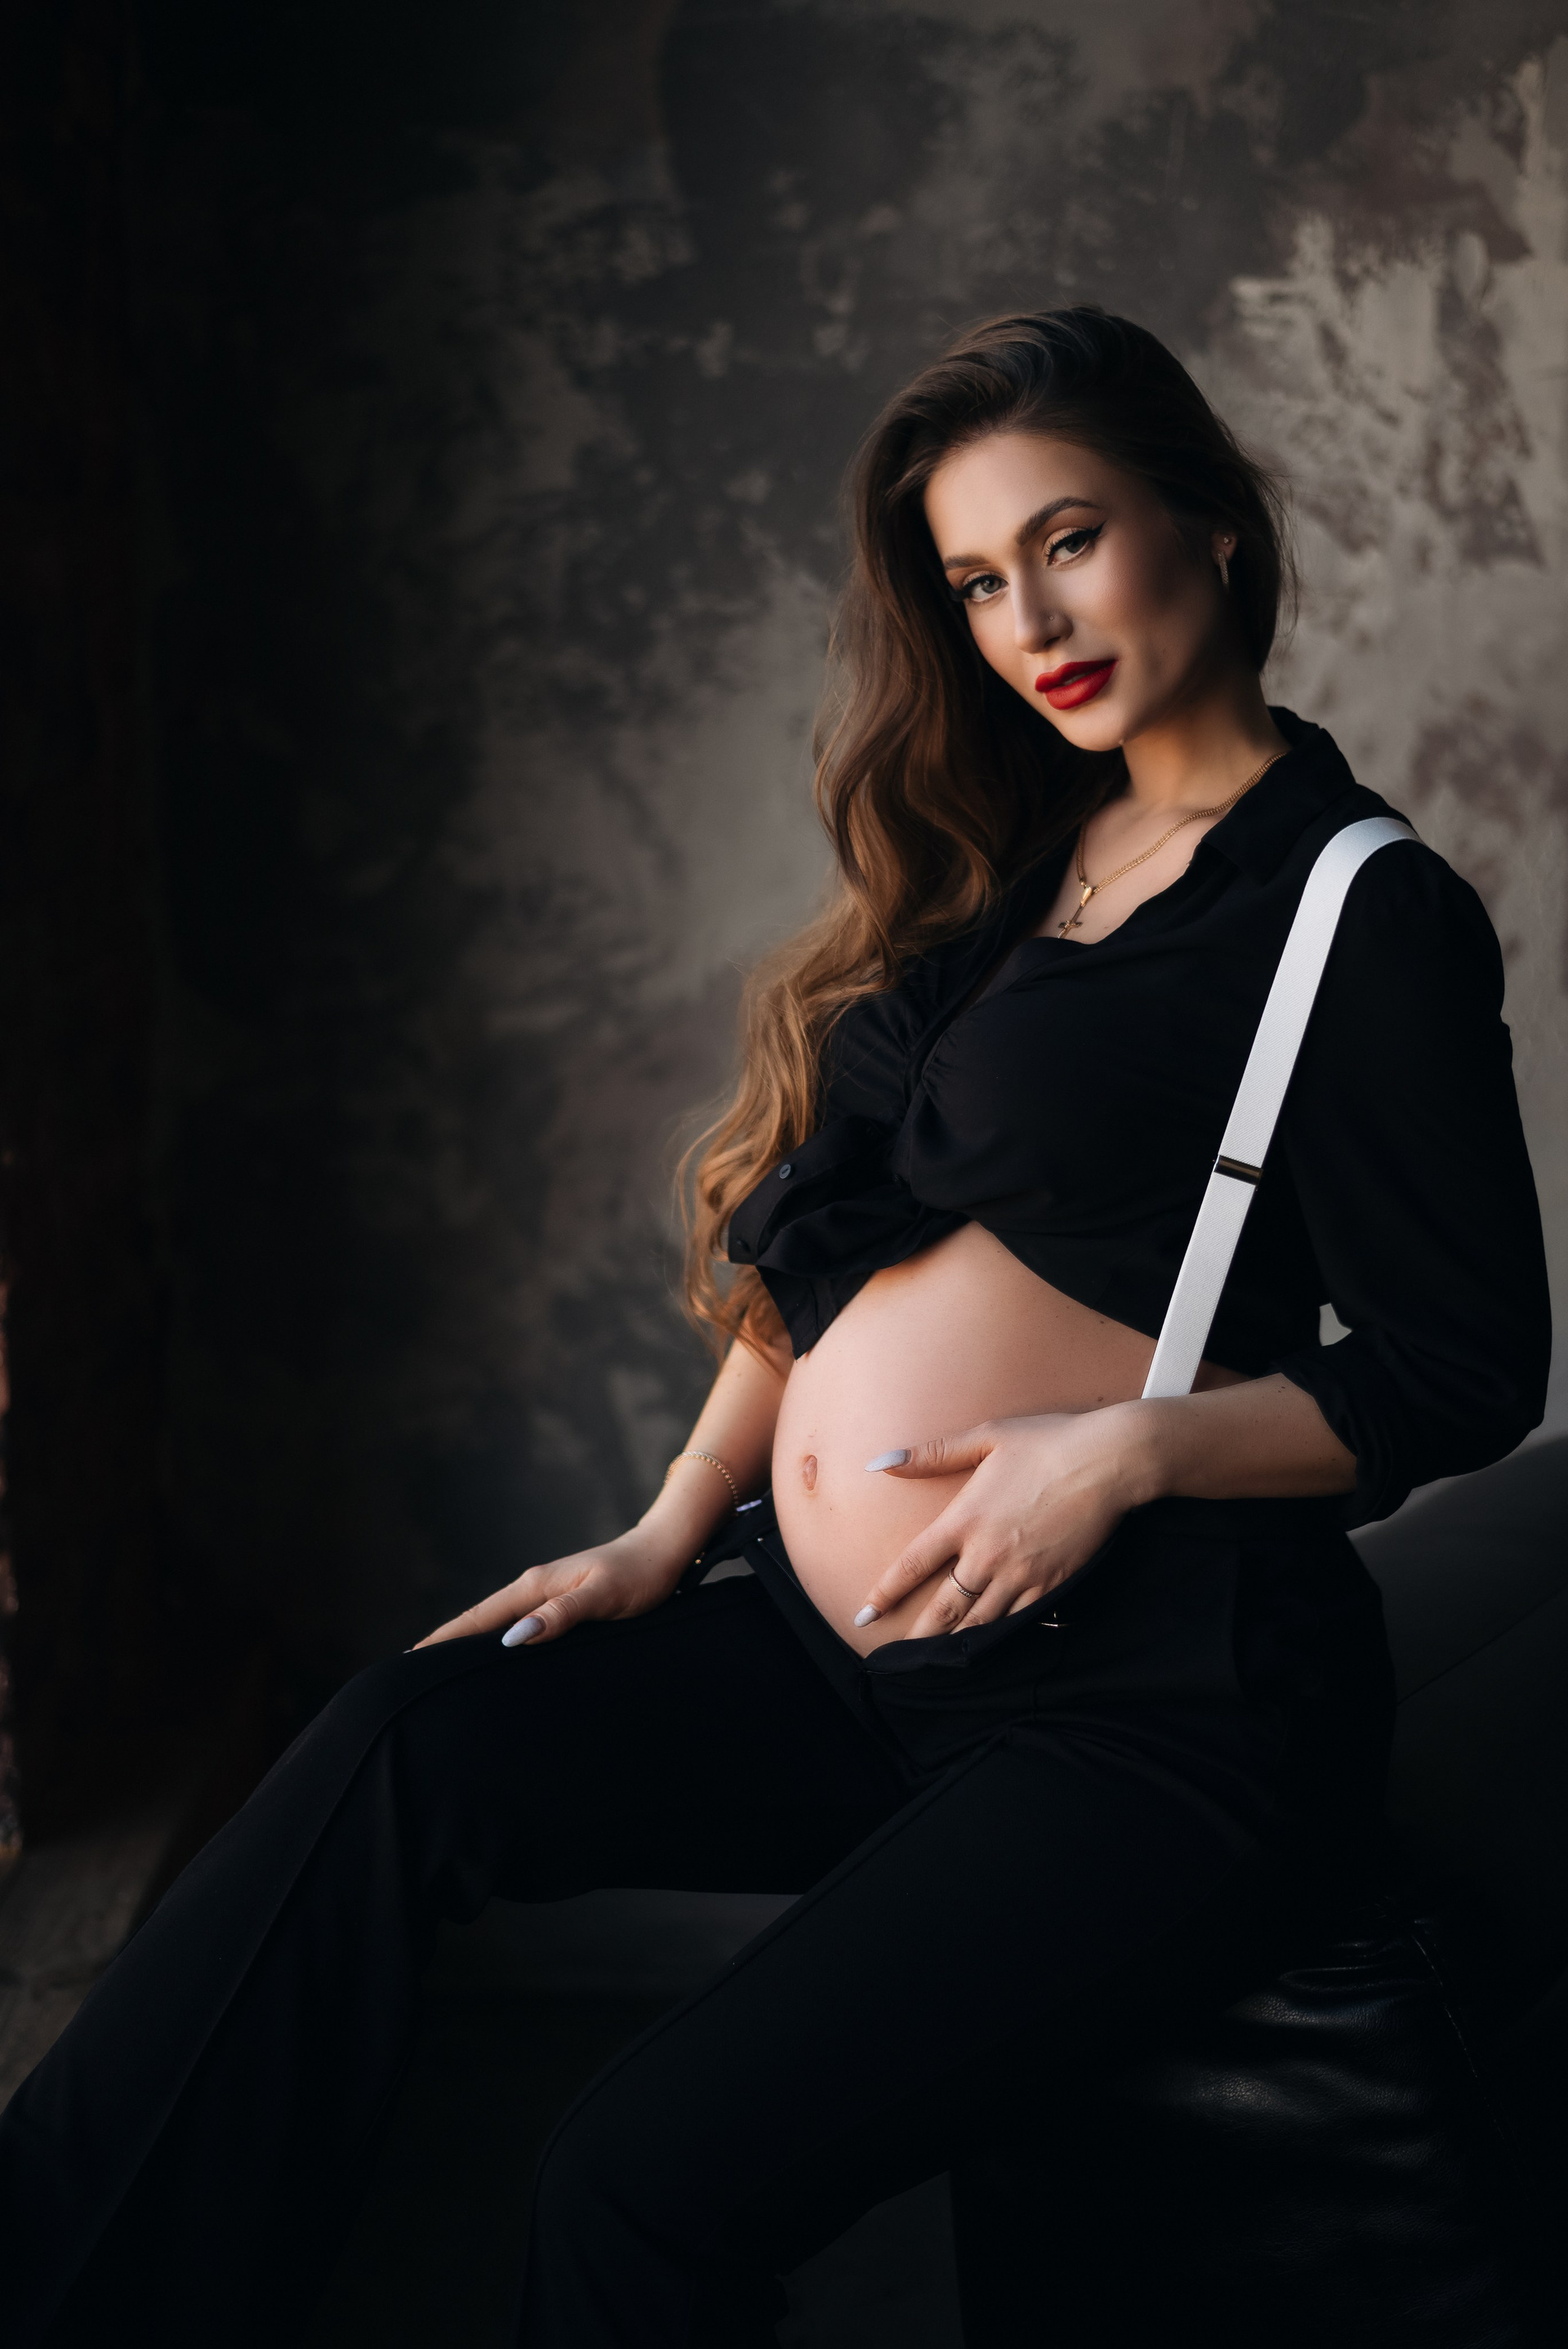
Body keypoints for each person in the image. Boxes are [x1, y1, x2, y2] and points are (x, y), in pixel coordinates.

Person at [0, 310, 1549, 2347]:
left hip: (1146, 1713)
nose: (1027, 625)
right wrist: (670, 1526)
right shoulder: (1027, 854)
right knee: (401, 1741)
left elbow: (1463, 1364)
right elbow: (832, 1241)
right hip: (869, 1661)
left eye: (1068, 542)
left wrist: (1125, 1451)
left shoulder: (1356, 911)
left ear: (1214, 527)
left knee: (631, 2182)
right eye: (976, 582)